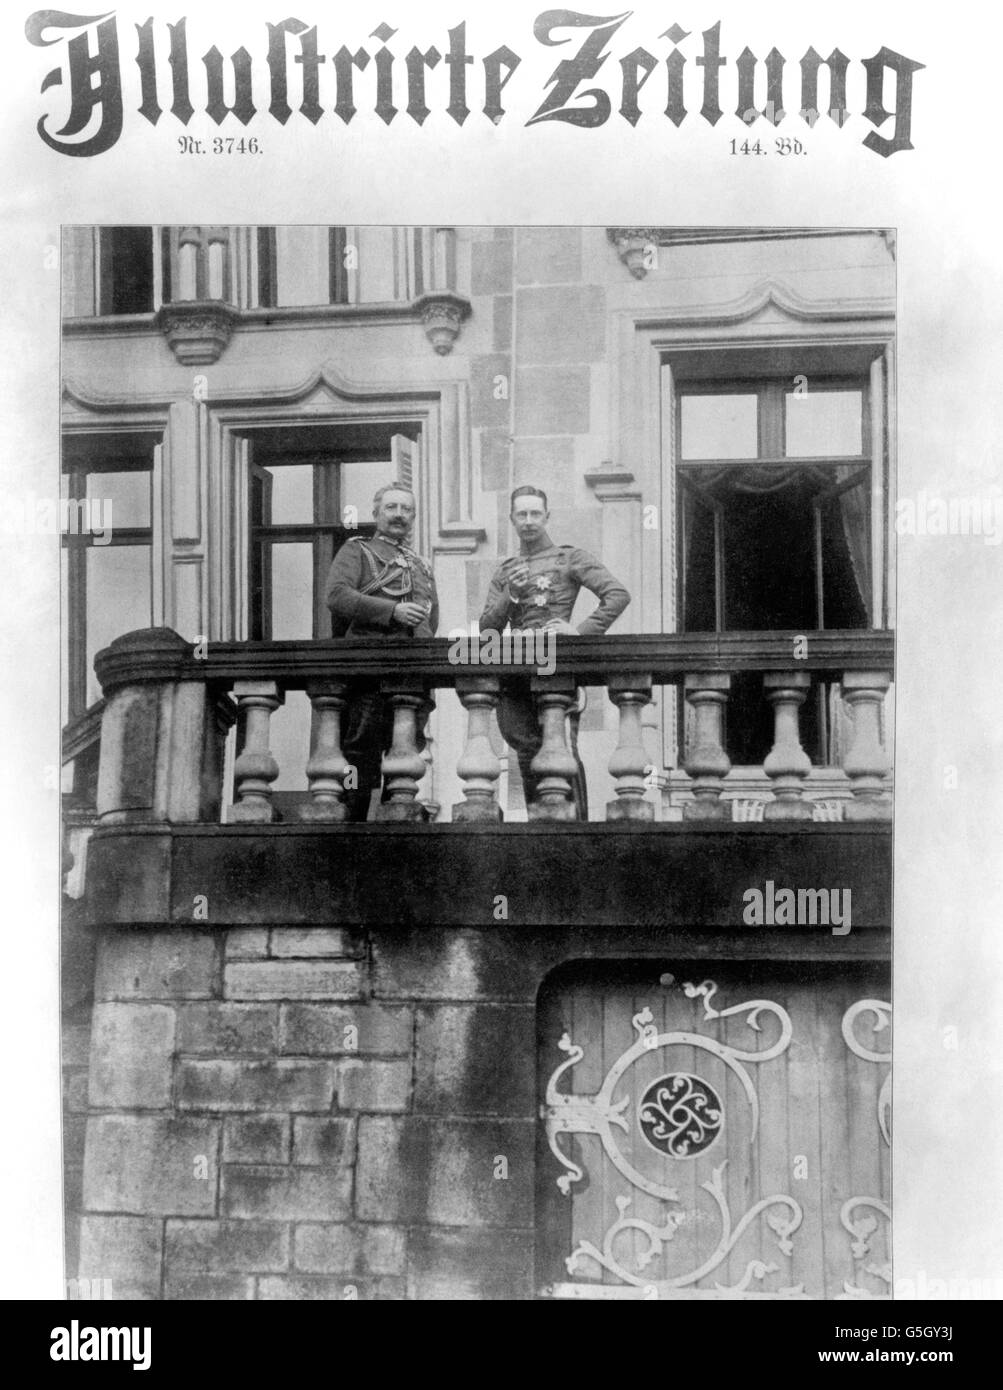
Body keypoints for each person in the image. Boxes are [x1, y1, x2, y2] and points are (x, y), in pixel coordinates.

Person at [479, 485, 630, 816]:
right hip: (517, 671)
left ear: (547, 516)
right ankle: (540, 826)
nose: (529, 521)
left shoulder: (569, 558)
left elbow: (617, 594)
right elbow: (487, 629)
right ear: (512, 519)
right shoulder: (506, 571)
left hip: (556, 667)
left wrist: (578, 632)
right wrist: (511, 595)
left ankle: (575, 830)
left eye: (535, 513)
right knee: (526, 750)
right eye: (522, 514)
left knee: (561, 750)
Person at [325, 482, 438, 820]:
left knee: (406, 749)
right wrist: (391, 612)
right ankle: (351, 816)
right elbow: (336, 595)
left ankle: (395, 817)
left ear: (414, 517)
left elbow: (431, 620)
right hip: (368, 667)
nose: (399, 515)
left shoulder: (421, 565)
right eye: (391, 507)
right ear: (376, 513)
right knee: (359, 749)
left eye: (406, 509)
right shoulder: (357, 551)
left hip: (413, 670)